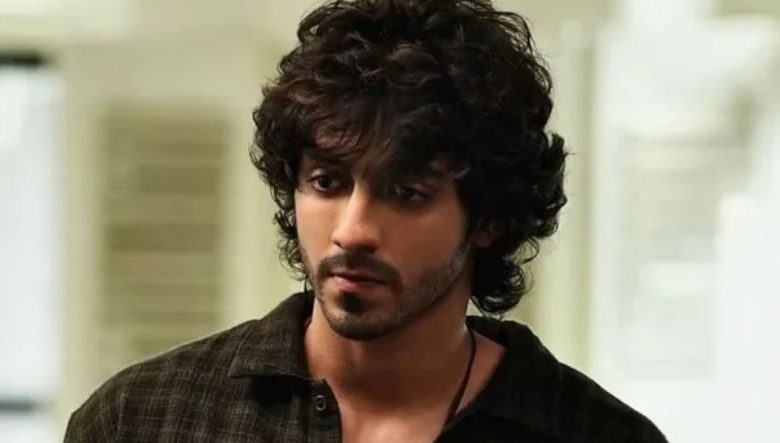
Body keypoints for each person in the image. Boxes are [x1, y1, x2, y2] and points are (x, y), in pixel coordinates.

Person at [65, 0, 667, 441]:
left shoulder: (597, 435)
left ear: (486, 219)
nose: (352, 231)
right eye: (327, 183)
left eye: (405, 193)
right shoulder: (138, 420)